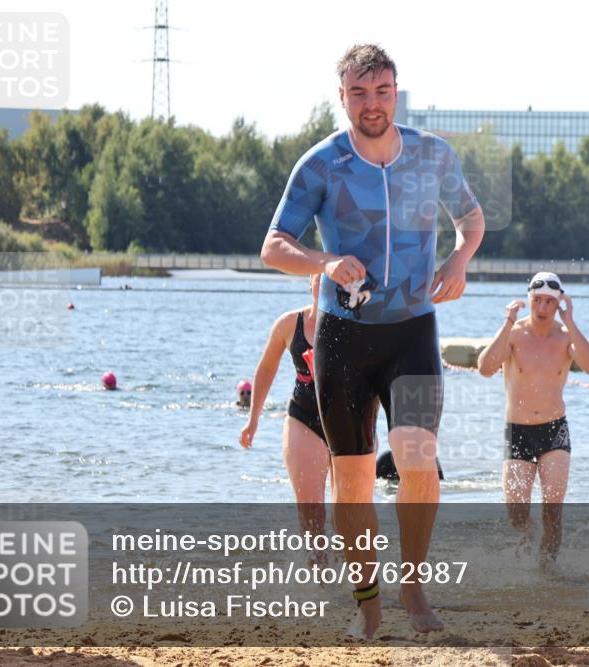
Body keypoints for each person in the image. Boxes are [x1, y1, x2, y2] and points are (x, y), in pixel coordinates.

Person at [259, 44, 485, 638]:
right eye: (359, 93)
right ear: (342, 97)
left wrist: (460, 260)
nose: (371, 104)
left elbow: (472, 218)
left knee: (416, 456)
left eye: (381, 91)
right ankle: (369, 604)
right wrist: (326, 260)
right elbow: (274, 245)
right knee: (354, 478)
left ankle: (412, 587)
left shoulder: (433, 156)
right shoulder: (322, 164)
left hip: (412, 331)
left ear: (396, 91)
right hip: (344, 339)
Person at [476, 272, 589, 563]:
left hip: (554, 430)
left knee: (552, 512)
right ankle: (527, 553)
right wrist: (507, 321)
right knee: (517, 515)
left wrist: (570, 322)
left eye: (549, 302)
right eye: (537, 301)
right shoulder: (515, 333)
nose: (542, 308)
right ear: (529, 300)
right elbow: (484, 368)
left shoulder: (566, 336)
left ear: (558, 304)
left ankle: (547, 572)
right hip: (517, 430)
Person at [239, 275, 337, 565]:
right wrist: (253, 420)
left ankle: (358, 579)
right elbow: (267, 368)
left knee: (349, 508)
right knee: (310, 509)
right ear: (310, 283)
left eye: (333, 279)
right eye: (320, 278)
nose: (326, 284)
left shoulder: (355, 324)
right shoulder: (288, 324)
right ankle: (319, 580)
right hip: (303, 417)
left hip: (348, 418)